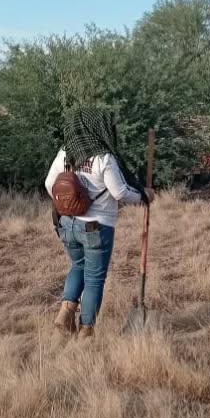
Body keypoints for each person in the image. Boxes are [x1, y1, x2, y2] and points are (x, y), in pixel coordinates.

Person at [45, 108, 152, 337]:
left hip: (67, 224)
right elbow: (120, 192)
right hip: (97, 226)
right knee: (94, 278)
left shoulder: (65, 153)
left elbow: (49, 183)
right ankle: (86, 333)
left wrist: (68, 204)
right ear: (99, 128)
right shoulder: (104, 158)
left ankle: (64, 316)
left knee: (78, 266)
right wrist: (144, 196)